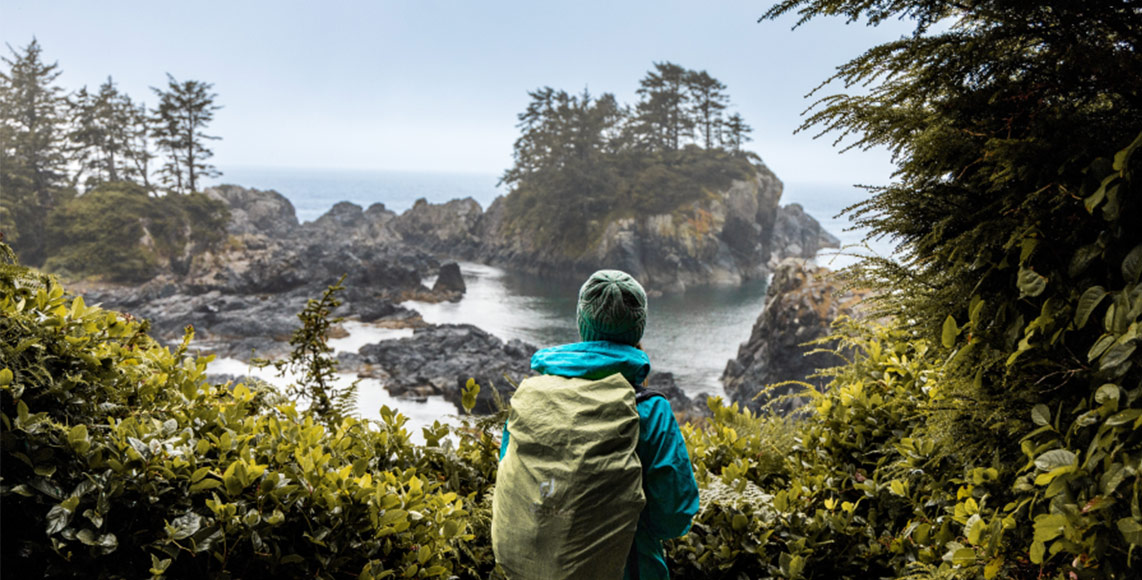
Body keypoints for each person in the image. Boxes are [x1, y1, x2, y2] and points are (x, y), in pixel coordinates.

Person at [492, 269, 700, 580]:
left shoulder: (533, 394)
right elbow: (674, 515)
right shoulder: (649, 409)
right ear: (638, 326)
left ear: (582, 322)